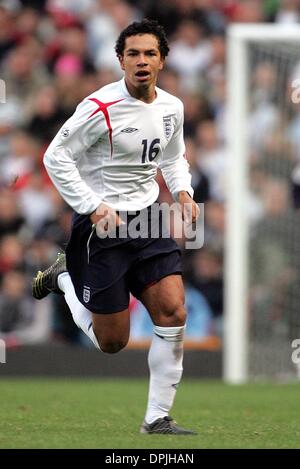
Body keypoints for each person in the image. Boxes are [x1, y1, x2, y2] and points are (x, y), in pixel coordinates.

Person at [32, 19, 199, 435]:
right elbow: (55, 158)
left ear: (162, 60)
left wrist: (183, 191)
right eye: (133, 54)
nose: (141, 61)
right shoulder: (99, 108)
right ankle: (65, 278)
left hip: (149, 219)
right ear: (120, 60)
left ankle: (157, 417)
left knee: (174, 309)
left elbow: (174, 157)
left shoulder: (171, 107)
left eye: (149, 53)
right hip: (102, 228)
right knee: (112, 343)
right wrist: (91, 205)